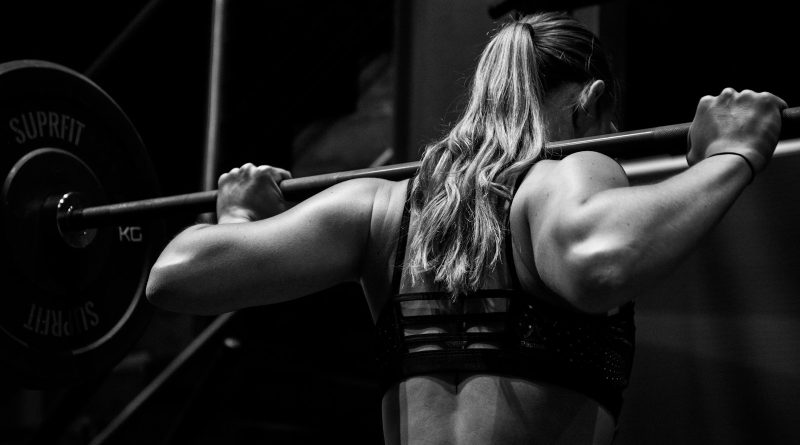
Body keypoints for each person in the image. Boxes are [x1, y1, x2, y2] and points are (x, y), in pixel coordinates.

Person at [145, 11, 786, 445]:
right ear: (590, 103)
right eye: (607, 122)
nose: (609, 140)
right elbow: (601, 265)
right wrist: (734, 153)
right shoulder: (568, 172)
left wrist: (239, 217)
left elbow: (176, 275)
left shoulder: (376, 208)